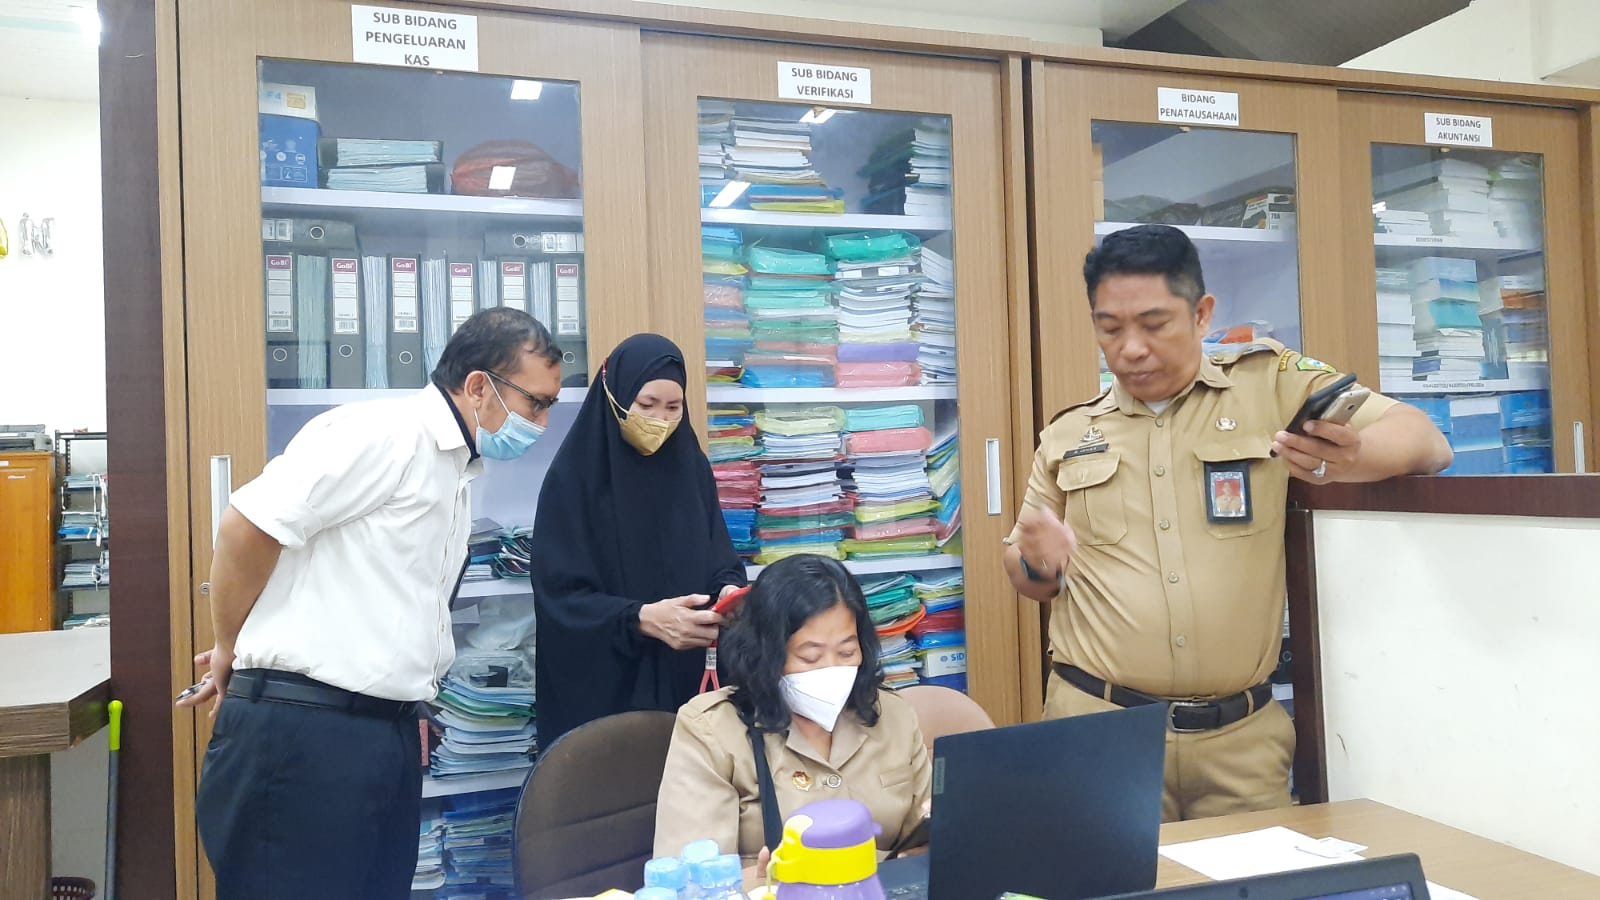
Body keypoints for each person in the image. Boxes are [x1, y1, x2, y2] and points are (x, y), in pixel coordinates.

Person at [1005, 224, 1452, 822]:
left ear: (1201, 314)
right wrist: (1037, 562)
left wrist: (1350, 459)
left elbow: (1427, 441)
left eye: (1154, 324)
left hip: (1241, 742)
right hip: (1099, 730)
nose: (1131, 348)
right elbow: (1027, 576)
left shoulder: (1269, 384)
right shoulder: (1069, 433)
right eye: (1110, 329)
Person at [177, 308, 563, 900]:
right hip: (306, 736)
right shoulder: (384, 434)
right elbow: (246, 527)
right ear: (479, 386)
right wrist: (230, 645)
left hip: (382, 735)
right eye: (535, 403)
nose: (541, 422)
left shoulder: (456, 469)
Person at [653, 554, 932, 875]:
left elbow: (923, 840)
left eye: (846, 652)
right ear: (766, 654)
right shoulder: (710, 728)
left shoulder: (892, 715)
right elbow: (691, 882)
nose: (831, 669)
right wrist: (766, 881)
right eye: (810, 656)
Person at [531, 333, 746, 747]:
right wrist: (641, 619)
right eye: (646, 405)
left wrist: (728, 591)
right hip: (608, 689)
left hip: (689, 679)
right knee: (617, 783)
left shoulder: (690, 469)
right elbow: (560, 598)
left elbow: (720, 558)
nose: (660, 419)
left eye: (673, 407)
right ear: (615, 394)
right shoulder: (573, 480)